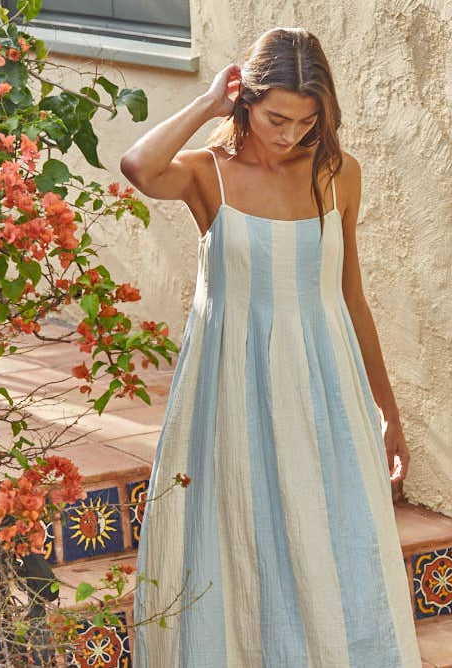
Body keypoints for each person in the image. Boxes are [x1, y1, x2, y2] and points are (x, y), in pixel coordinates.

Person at [120, 26, 423, 668]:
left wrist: (388, 411)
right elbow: (139, 167)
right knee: (232, 537)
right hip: (231, 386)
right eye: (275, 118)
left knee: (334, 542)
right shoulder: (208, 174)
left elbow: (351, 297)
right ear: (245, 102)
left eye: (306, 122)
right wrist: (207, 104)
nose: (289, 136)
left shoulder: (337, 175)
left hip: (325, 386)